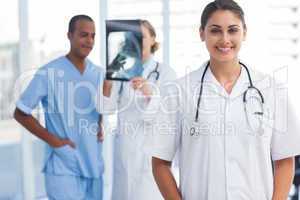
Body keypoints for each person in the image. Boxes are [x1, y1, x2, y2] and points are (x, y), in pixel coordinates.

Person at [151, 0, 300, 199]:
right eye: (215, 31)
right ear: (202, 33)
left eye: (232, 30)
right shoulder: (179, 91)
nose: (225, 39)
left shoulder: (271, 89)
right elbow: (160, 163)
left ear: (244, 33)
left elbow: (284, 159)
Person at [14, 15, 104, 200]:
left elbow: (100, 107)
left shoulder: (98, 74)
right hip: (64, 166)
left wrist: (100, 124)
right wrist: (55, 142)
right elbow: (21, 113)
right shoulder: (49, 73)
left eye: (93, 36)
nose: (89, 41)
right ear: (69, 35)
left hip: (93, 166)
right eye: (84, 35)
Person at [98, 20, 177, 200]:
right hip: (124, 153)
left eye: (143, 36)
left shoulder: (165, 72)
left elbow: (170, 113)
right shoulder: (121, 71)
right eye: (134, 36)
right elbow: (106, 108)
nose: (138, 41)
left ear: (153, 39)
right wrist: (108, 80)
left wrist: (149, 92)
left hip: (151, 155)